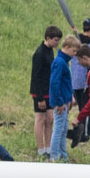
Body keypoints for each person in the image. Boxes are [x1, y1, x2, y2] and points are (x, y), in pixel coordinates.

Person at [31, 27, 64, 162]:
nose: (57, 43)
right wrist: (39, 97)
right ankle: (40, 149)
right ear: (48, 38)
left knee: (50, 119)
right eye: (55, 40)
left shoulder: (50, 51)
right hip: (39, 91)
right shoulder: (39, 53)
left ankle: (49, 147)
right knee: (41, 119)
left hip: (48, 91)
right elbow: (36, 76)